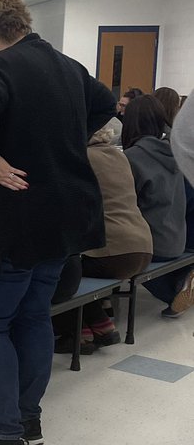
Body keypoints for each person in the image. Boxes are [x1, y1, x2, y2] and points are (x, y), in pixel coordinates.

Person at [0, 0, 115, 445]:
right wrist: (63, 139)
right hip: (60, 221)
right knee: (33, 316)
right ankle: (26, 421)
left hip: (9, 221)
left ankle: (4, 440)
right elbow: (106, 103)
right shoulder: (66, 66)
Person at [51, 120, 153, 351]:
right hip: (142, 246)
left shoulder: (83, 158)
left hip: (112, 253)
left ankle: (80, 331)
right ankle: (100, 323)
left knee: (61, 273)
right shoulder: (118, 156)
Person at [122, 95, 192, 317]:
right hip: (178, 238)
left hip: (153, 244)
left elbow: (125, 204)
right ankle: (185, 280)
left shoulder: (132, 157)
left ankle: (175, 291)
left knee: (122, 252)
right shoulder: (174, 152)